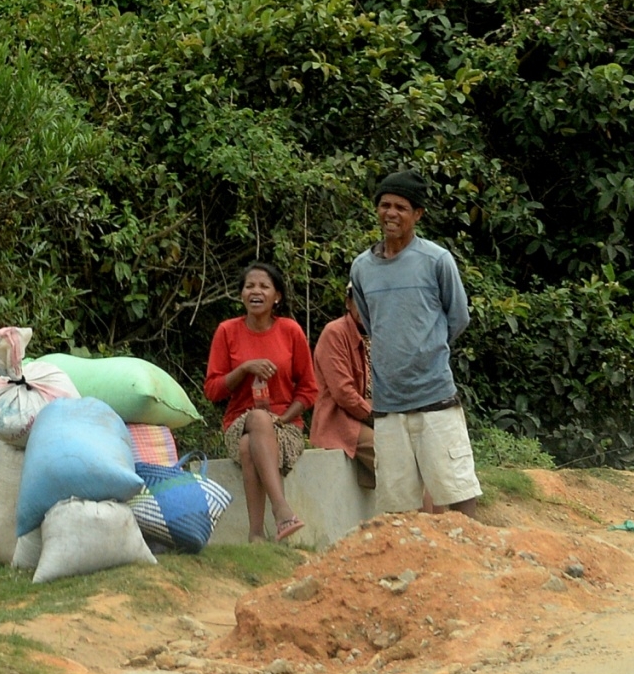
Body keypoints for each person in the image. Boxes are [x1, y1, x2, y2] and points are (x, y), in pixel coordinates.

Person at [349, 169, 482, 517]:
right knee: (396, 505)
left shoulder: (437, 260)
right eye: (385, 205)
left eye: (401, 207)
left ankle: (474, 559)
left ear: (418, 215)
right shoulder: (362, 268)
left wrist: (427, 351)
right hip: (388, 404)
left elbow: (458, 318)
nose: (391, 213)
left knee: (457, 489)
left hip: (435, 397)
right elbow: (370, 322)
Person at [204, 262, 318, 542]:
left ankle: (256, 535)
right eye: (249, 286)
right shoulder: (227, 331)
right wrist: (244, 369)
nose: (256, 291)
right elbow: (212, 390)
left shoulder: (290, 331)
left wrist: (284, 418)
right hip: (237, 424)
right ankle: (282, 512)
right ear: (241, 294)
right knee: (255, 420)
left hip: (286, 426)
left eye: (264, 286)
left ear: (276, 296)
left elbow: (309, 390)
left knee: (250, 445)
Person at [310, 283, 377, 489]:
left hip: (372, 415)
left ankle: (434, 519)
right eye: (361, 301)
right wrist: (377, 415)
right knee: (397, 456)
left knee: (420, 453)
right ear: (349, 303)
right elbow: (343, 393)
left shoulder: (379, 333)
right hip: (342, 421)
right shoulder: (335, 332)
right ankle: (424, 520)